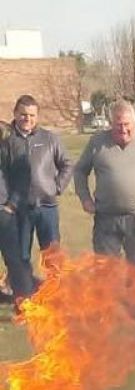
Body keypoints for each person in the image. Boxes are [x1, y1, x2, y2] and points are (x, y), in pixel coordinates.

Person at [73, 99, 135, 266]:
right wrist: (85, 199)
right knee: (105, 270)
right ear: (111, 124)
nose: (123, 129)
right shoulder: (97, 142)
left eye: (127, 124)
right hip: (106, 218)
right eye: (118, 125)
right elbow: (80, 171)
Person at [0, 96, 73, 298]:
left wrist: (56, 187)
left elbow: (67, 164)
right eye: (23, 114)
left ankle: (55, 295)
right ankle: (26, 296)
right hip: (19, 210)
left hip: (47, 208)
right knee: (21, 257)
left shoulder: (49, 139)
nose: (27, 119)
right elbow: (3, 174)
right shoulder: (7, 141)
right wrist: (9, 203)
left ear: (37, 116)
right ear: (15, 114)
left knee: (52, 254)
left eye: (32, 115)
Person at [0, 117, 34, 303]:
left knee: (14, 260)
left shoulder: (8, 140)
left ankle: (24, 302)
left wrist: (11, 205)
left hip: (3, 211)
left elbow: (22, 175)